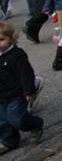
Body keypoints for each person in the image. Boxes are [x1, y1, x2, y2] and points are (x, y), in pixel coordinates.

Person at [0, 22, 43, 152]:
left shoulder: (16, 55)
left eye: (1, 40)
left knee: (16, 119)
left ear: (11, 38)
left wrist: (28, 91)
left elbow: (26, 74)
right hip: (1, 95)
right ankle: (8, 140)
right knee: (2, 121)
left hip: (16, 94)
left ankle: (35, 124)